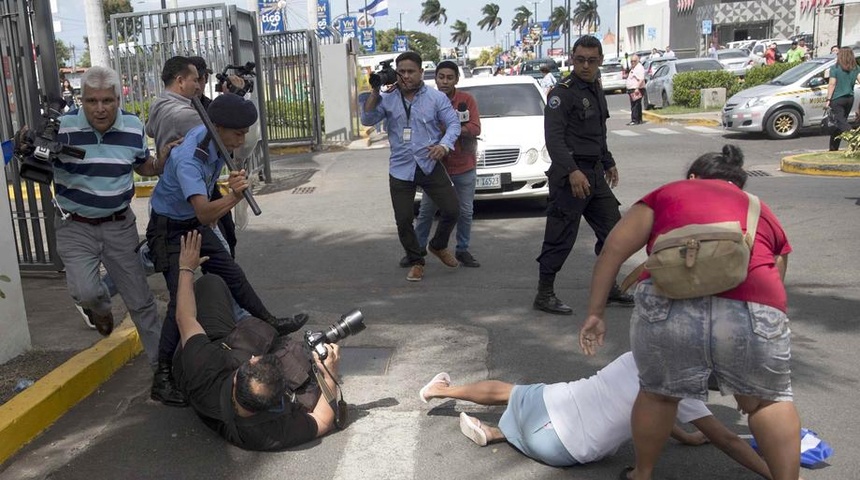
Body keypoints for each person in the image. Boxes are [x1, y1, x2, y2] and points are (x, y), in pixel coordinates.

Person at [579, 145, 801, 480]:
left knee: (659, 396)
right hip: (751, 306)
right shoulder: (757, 208)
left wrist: (595, 313)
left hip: (669, 304)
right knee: (768, 401)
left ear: (694, 177)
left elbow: (613, 250)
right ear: (737, 184)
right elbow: (777, 266)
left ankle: (643, 473)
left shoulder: (667, 194)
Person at [146, 93, 307, 407]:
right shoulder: (189, 158)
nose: (242, 138)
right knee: (180, 297)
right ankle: (162, 376)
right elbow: (206, 213)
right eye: (238, 133)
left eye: (245, 132)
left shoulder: (217, 142)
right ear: (218, 127)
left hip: (193, 221)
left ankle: (269, 321)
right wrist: (234, 196)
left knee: (232, 273)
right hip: (169, 228)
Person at [419, 352, 794, 478]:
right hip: (567, 454)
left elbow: (650, 407)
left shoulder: (641, 356)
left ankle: (443, 390)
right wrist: (775, 474)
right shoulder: (684, 389)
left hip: (550, 413)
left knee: (516, 391)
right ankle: (499, 433)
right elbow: (725, 439)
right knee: (613, 438)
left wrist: (689, 436)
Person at [17, 65, 167, 374]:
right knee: (86, 292)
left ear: (117, 99)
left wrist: (162, 162)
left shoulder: (133, 127)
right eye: (91, 101)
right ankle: (100, 311)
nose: (100, 109)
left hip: (119, 225)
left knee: (141, 302)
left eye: (107, 101)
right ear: (81, 101)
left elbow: (143, 166)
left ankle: (162, 369)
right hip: (75, 226)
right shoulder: (62, 127)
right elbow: (36, 162)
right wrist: (25, 150)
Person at [172, 230, 341, 451]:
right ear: (277, 402)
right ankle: (244, 319)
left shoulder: (204, 367)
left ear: (236, 378)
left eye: (252, 360)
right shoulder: (267, 432)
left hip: (200, 355)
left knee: (210, 283)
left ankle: (241, 320)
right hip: (224, 348)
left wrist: (186, 267)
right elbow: (322, 421)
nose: (254, 357)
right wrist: (330, 373)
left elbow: (184, 318)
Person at [534, 35, 634, 315]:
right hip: (570, 176)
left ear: (600, 61)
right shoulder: (562, 93)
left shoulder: (595, 88)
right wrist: (572, 171)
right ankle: (544, 293)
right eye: (580, 60)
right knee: (560, 236)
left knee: (614, 232)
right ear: (572, 60)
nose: (586, 66)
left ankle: (610, 286)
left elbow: (598, 133)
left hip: (594, 173)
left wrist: (608, 161)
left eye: (591, 60)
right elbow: (553, 139)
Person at [360, 51, 462, 282]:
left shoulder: (436, 98)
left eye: (410, 72)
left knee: (453, 209)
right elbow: (367, 119)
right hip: (401, 168)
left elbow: (453, 124)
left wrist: (444, 146)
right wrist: (376, 90)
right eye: (401, 72)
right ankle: (417, 260)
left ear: (421, 73)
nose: (406, 76)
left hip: (429, 162)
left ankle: (438, 245)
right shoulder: (388, 98)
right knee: (404, 219)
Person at [411, 60, 482, 268]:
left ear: (457, 80)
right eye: (441, 77)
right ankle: (417, 252)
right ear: (435, 78)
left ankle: (462, 250)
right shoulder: (427, 100)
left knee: (466, 211)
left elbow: (475, 127)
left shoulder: (466, 100)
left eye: (449, 77)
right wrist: (452, 130)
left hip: (464, 164)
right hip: (435, 167)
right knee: (426, 212)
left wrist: (450, 131)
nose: (445, 81)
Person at [825, 47, 860, 151]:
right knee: (838, 124)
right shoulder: (856, 68)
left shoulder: (835, 68)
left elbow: (832, 84)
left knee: (841, 123)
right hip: (849, 98)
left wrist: (828, 100)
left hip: (837, 99)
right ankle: (833, 148)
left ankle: (855, 138)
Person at [625, 54, 645, 126]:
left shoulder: (639, 68)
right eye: (631, 61)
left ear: (638, 60)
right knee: (636, 105)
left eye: (634, 61)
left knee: (635, 105)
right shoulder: (634, 68)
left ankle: (635, 120)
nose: (632, 62)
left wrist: (637, 88)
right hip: (632, 89)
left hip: (637, 89)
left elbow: (641, 79)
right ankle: (638, 119)